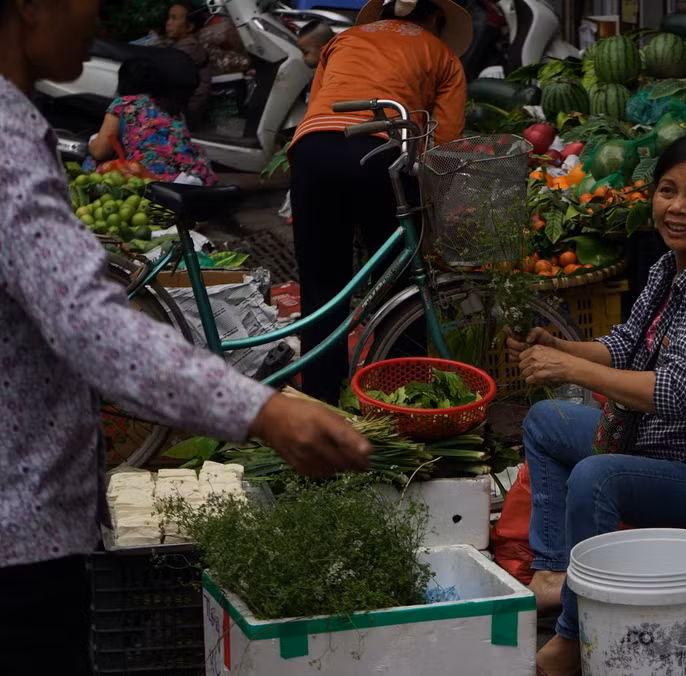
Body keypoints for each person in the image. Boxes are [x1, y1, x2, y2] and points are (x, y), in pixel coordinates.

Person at [0, 0, 373, 671]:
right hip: (18, 544)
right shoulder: (4, 136)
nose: (98, 14)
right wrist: (260, 409)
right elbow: (87, 319)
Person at [509, 133, 686, 676]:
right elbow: (624, 345)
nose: (677, 208)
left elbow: (675, 392)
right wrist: (560, 347)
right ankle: (554, 575)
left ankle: (570, 637)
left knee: (595, 477)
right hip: (653, 445)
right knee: (545, 421)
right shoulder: (671, 266)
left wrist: (571, 370)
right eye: (667, 190)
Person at [289, 0, 469, 404]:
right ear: (436, 18)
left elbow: (321, 104)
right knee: (400, 280)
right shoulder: (442, 55)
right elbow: (446, 146)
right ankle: (398, 398)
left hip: (312, 151)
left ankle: (321, 402)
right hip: (380, 155)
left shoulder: (344, 39)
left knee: (322, 286)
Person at [86, 56, 218, 185]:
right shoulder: (173, 107)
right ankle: (183, 180)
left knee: (93, 162)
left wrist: (93, 143)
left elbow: (100, 152)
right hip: (192, 169)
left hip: (151, 175)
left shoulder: (123, 104)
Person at [164, 0, 211, 128]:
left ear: (190, 27)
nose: (168, 23)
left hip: (189, 109)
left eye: (174, 19)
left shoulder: (189, 48)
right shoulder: (180, 45)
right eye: (169, 18)